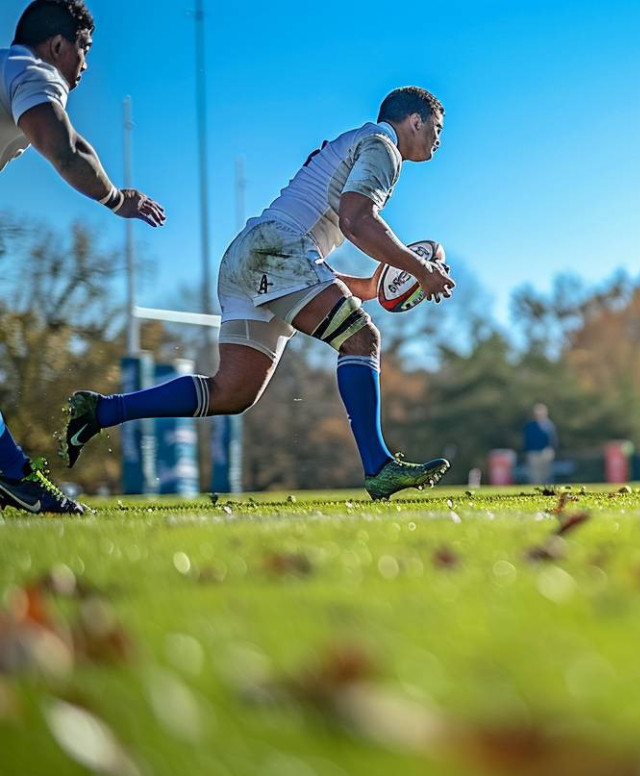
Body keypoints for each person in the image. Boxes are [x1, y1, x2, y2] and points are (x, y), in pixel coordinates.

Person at [62, 87, 455, 500]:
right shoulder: (382, 147)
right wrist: (421, 270)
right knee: (361, 338)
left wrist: (369, 287)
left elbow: (312, 248)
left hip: (254, 253)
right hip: (275, 250)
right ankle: (378, 467)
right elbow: (356, 221)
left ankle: (102, 410)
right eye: (437, 129)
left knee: (232, 392)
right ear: (415, 121)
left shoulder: (358, 141)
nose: (438, 140)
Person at [0, 0, 164, 514]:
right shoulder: (34, 73)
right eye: (84, 50)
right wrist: (116, 200)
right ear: (56, 46)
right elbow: (64, 149)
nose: (86, 65)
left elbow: (75, 142)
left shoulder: (8, 67)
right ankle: (11, 474)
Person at [522, 403, 558, 485]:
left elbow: (553, 439)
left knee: (547, 474)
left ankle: (547, 491)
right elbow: (527, 439)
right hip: (533, 452)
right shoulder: (530, 425)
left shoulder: (549, 425)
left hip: (546, 452)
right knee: (535, 474)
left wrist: (552, 449)